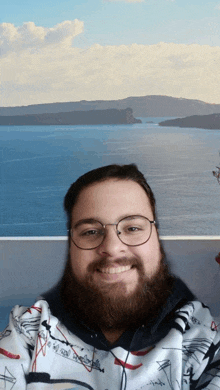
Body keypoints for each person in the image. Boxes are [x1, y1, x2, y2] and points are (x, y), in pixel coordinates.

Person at [0, 164, 220, 390]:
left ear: (157, 238)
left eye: (133, 228)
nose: (113, 248)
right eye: (90, 232)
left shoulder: (204, 341)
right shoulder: (27, 332)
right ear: (71, 248)